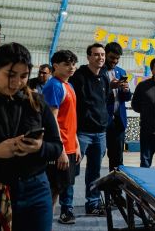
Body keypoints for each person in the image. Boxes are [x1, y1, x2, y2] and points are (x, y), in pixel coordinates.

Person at [0, 43, 62, 231]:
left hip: (36, 190)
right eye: (10, 75)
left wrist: (39, 147)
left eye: (23, 76)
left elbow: (56, 146)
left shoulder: (36, 102)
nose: (16, 82)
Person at [69, 42, 109, 215]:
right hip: (82, 133)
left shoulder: (105, 77)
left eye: (102, 54)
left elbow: (104, 101)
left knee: (94, 171)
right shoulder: (78, 77)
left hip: (100, 133)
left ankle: (92, 204)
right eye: (96, 54)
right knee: (72, 171)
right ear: (88, 57)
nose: (100, 57)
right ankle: (66, 208)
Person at [42, 49, 80, 225]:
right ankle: (43, 224)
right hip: (60, 147)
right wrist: (60, 150)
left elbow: (70, 118)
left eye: (73, 64)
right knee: (51, 190)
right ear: (55, 66)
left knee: (58, 189)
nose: (71, 67)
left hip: (70, 145)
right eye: (66, 64)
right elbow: (52, 121)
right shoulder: (54, 86)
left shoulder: (68, 85)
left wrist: (76, 143)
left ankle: (46, 223)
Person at [103, 42, 131, 171]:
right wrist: (110, 87)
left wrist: (126, 90)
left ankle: (115, 189)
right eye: (111, 58)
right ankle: (96, 187)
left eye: (117, 58)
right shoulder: (98, 71)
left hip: (119, 121)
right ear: (105, 54)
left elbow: (126, 98)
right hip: (102, 120)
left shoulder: (121, 72)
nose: (114, 61)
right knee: (98, 155)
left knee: (117, 158)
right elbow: (95, 96)